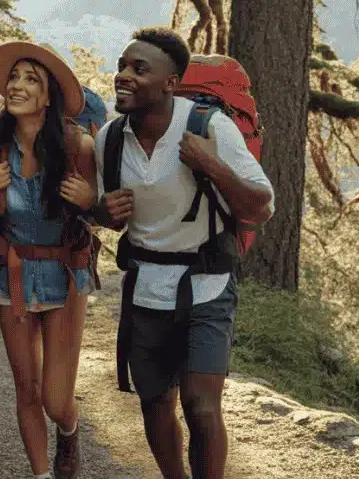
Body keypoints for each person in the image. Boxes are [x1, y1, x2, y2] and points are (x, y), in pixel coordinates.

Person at [91, 27, 274, 479]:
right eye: (122, 66)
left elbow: (261, 207)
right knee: (155, 403)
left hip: (206, 285)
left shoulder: (209, 127)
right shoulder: (109, 140)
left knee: (201, 407)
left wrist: (211, 164)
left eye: (139, 69)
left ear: (171, 83)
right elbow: (108, 217)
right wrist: (101, 212)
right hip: (145, 289)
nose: (124, 76)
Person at [0, 41, 98, 479]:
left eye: (31, 80)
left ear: (48, 98)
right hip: (12, 272)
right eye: (14, 77)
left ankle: (69, 428)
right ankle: (42, 474)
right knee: (26, 388)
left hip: (65, 274)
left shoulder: (78, 146)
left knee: (55, 399)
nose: (18, 85)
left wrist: (89, 201)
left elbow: (102, 217)